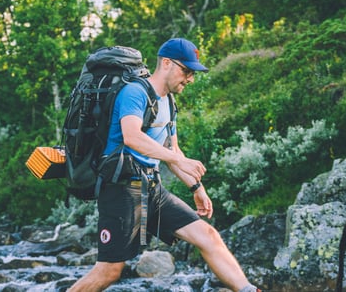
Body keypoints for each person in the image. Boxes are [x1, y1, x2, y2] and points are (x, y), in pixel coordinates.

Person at [68, 38, 260, 292]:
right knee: (109, 270)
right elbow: (132, 137)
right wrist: (178, 159)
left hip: (152, 187)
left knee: (208, 236)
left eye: (193, 73)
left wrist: (196, 188)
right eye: (186, 70)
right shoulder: (134, 92)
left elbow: (172, 151)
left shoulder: (168, 101)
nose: (190, 78)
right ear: (167, 63)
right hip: (120, 188)